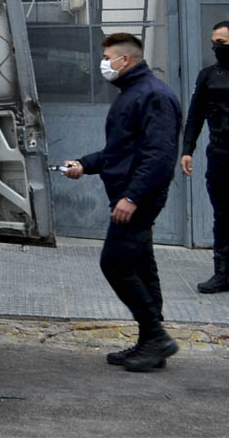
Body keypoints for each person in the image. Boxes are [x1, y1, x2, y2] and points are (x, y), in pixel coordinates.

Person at [63, 32, 182, 372]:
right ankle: (151, 344)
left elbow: (159, 156)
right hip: (130, 194)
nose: (103, 64)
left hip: (137, 198)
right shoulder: (133, 93)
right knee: (141, 265)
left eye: (107, 58)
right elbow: (119, 152)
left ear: (124, 60)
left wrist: (132, 197)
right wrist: (84, 164)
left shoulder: (153, 96)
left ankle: (156, 337)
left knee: (114, 263)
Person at [180, 20, 229, 294]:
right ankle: (222, 273)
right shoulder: (208, 76)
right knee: (222, 215)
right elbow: (195, 115)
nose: (215, 48)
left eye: (221, 43)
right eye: (214, 43)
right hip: (220, 155)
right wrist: (188, 150)